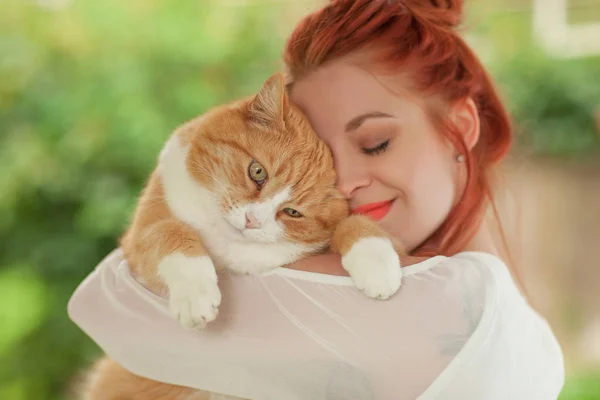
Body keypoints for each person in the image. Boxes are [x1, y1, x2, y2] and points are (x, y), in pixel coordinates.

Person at [68, 0, 565, 399]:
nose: (343, 182)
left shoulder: (448, 304)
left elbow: (107, 300)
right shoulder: (520, 328)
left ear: (459, 128)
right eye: (320, 158)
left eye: (375, 143)